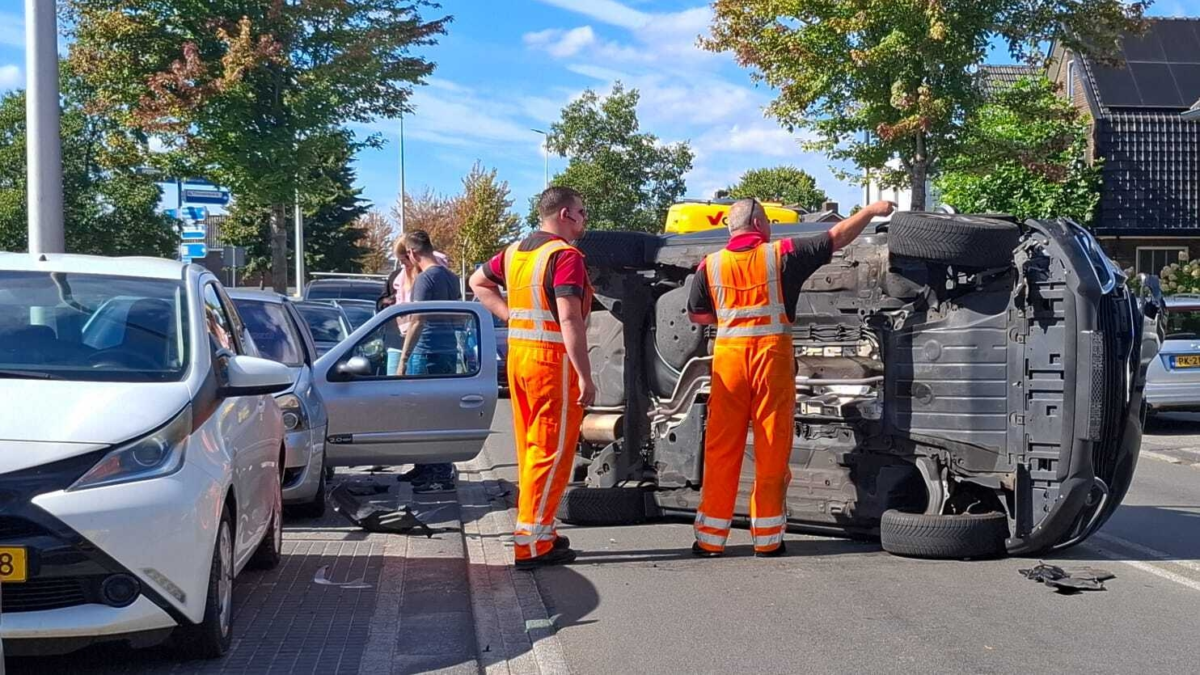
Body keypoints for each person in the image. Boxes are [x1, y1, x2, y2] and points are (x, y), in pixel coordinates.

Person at [687, 198, 896, 558]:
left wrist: (735, 320)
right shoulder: (781, 254)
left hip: (729, 362)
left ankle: (710, 539)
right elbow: (836, 237)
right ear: (758, 223)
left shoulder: (710, 265)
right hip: (771, 358)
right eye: (767, 220)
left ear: (730, 227)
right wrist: (870, 211)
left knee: (721, 448)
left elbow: (698, 316)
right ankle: (767, 540)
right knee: (770, 445)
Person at [469, 186, 596, 570]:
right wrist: (585, 376)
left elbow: (478, 282)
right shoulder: (564, 256)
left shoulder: (513, 253)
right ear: (565, 215)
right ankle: (531, 542)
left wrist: (510, 316)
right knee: (552, 452)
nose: (584, 219)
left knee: (531, 451)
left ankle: (542, 533)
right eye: (582, 212)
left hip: (521, 358)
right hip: (550, 362)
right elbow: (570, 318)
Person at [397, 229, 462, 494]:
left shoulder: (425, 280)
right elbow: (458, 316)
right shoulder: (451, 277)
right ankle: (425, 467)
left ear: (412, 253)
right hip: (447, 351)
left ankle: (438, 472)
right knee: (438, 411)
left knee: (424, 414)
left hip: (425, 352)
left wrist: (403, 359)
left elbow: (417, 319)